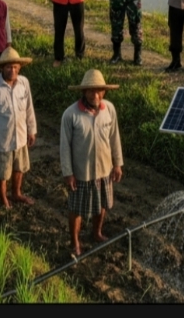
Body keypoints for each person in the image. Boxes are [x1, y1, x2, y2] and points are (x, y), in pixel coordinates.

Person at [60, 69, 124, 256]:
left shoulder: (109, 109)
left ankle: (97, 232)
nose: (95, 95)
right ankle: (75, 243)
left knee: (102, 204)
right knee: (76, 209)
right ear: (84, 92)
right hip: (81, 172)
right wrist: (68, 173)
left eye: (99, 91)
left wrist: (117, 163)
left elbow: (114, 138)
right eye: (90, 91)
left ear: (104, 92)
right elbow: (65, 146)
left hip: (104, 170)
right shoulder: (71, 115)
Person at [0, 47, 36, 209]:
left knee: (20, 167)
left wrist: (32, 129)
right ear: (1, 68)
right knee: (2, 172)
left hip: (20, 135)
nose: (13, 70)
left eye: (16, 67)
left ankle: (16, 193)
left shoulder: (24, 83)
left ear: (20, 67)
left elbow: (29, 108)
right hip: (1, 139)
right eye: (9, 67)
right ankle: (3, 198)